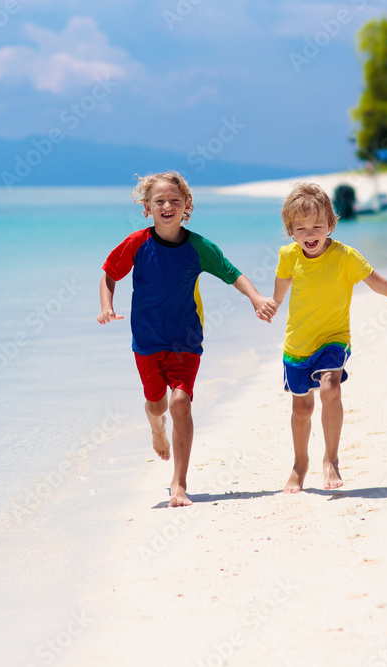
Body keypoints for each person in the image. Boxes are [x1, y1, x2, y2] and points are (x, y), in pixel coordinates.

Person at [97, 171, 276, 507]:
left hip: (186, 339)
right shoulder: (137, 243)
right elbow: (109, 273)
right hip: (147, 339)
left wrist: (256, 298)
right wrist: (106, 306)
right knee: (156, 404)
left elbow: (232, 273)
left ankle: (179, 484)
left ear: (187, 206)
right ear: (147, 207)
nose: (167, 206)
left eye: (175, 201)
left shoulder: (198, 247)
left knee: (180, 402)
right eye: (159, 201)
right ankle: (156, 429)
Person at [258, 183, 387, 493]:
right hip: (297, 344)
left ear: (331, 224)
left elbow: (380, 285)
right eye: (301, 227)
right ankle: (299, 463)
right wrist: (271, 305)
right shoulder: (288, 255)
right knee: (301, 409)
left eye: (317, 225)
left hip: (334, 338)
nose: (310, 233)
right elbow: (281, 287)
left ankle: (330, 460)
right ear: (290, 230)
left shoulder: (346, 256)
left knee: (330, 387)